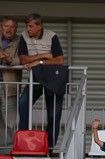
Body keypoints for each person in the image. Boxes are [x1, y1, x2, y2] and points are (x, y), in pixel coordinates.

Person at [17, 13, 66, 147]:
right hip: (35, 77)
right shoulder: (24, 36)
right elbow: (23, 59)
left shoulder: (52, 36)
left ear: (39, 26)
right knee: (23, 104)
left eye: (31, 26)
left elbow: (59, 60)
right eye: (27, 26)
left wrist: (39, 62)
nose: (28, 29)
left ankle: (49, 148)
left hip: (53, 79)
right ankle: (24, 144)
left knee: (53, 115)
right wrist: (44, 56)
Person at [0, 17, 20, 147]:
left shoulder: (20, 41)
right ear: (1, 27)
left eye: (12, 26)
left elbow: (23, 59)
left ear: (16, 29)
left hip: (9, 85)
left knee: (9, 120)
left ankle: (8, 150)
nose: (9, 29)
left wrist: (8, 59)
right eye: (6, 26)